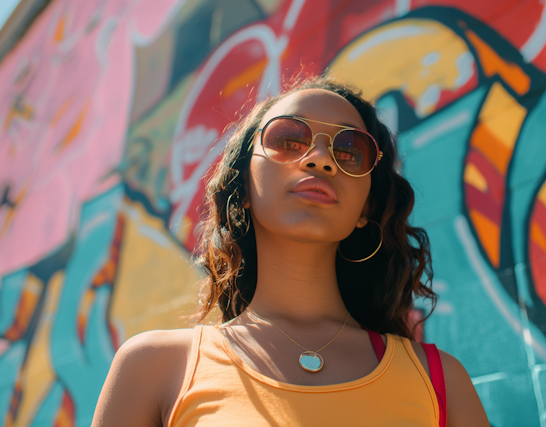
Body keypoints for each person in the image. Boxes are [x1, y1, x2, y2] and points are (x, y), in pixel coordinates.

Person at [92, 77, 490, 426]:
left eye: (349, 150)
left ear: (366, 209)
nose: (320, 158)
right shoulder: (155, 369)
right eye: (287, 140)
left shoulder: (440, 381)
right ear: (243, 188)